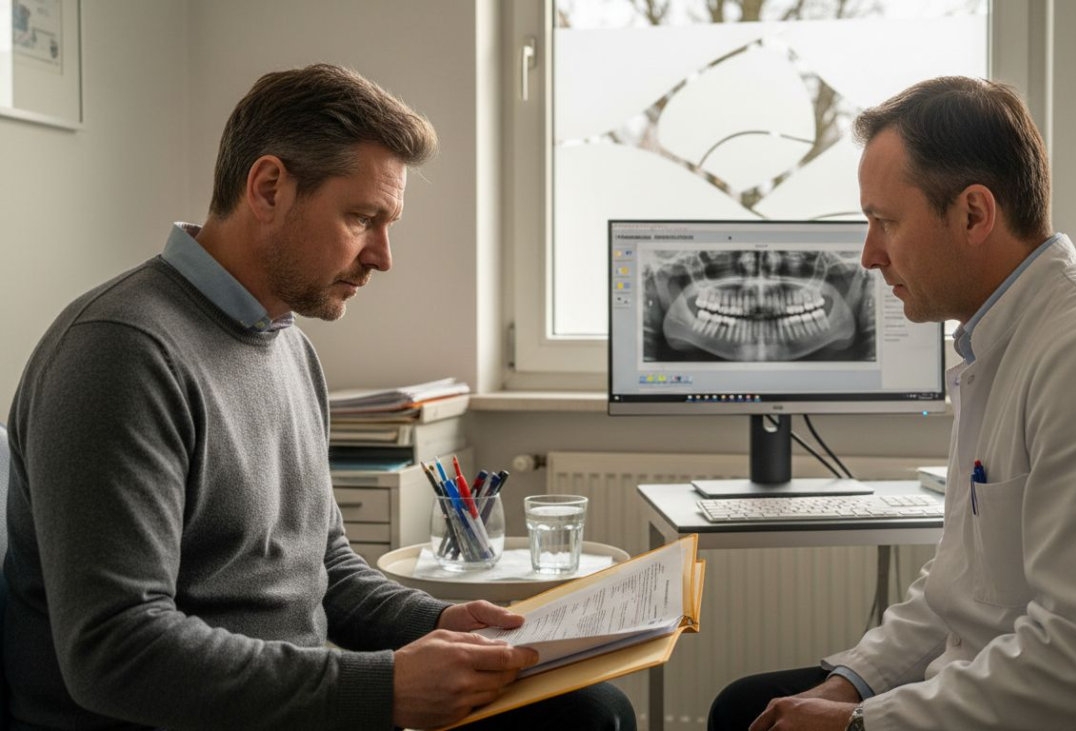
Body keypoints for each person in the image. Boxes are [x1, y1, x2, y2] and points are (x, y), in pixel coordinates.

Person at [3, 64, 634, 731]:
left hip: (290, 708)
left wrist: (440, 621)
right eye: (362, 218)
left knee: (590, 707)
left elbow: (322, 564)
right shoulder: (122, 352)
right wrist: (382, 687)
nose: (382, 256)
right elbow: (116, 651)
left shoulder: (287, 346)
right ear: (269, 187)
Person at [709, 76, 1076, 730]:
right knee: (743, 709)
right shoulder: (1006, 341)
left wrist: (865, 723)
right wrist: (855, 681)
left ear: (975, 214)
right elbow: (961, 590)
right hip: (1028, 680)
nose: (869, 255)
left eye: (885, 222)